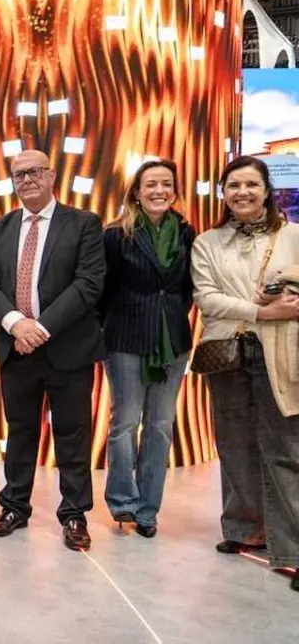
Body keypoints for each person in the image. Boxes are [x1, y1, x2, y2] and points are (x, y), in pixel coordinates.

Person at [0, 149, 105, 551]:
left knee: (73, 432)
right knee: (20, 431)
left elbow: (88, 284)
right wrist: (16, 324)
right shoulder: (0, 227)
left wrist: (40, 328)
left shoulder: (83, 223)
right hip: (16, 347)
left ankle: (74, 514)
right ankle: (14, 505)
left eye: (34, 172)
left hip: (67, 347)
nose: (26, 179)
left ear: (52, 176)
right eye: (18, 174)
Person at [190, 155, 299, 593]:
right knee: (233, 442)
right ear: (223, 193)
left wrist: (282, 298)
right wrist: (262, 310)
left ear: (266, 190)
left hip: (280, 352)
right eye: (233, 186)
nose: (242, 193)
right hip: (228, 352)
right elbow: (208, 298)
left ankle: (291, 548)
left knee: (285, 447)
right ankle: (242, 528)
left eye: (251, 185)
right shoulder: (208, 242)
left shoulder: (291, 236)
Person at [99, 160, 195, 538]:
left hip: (172, 342)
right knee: (125, 423)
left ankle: (148, 509)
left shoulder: (187, 233)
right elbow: (103, 294)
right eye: (150, 184)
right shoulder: (115, 235)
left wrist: (166, 320)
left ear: (175, 191)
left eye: (166, 184)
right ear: (136, 192)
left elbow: (186, 290)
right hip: (125, 341)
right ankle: (123, 501)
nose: (159, 190)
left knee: (160, 426)